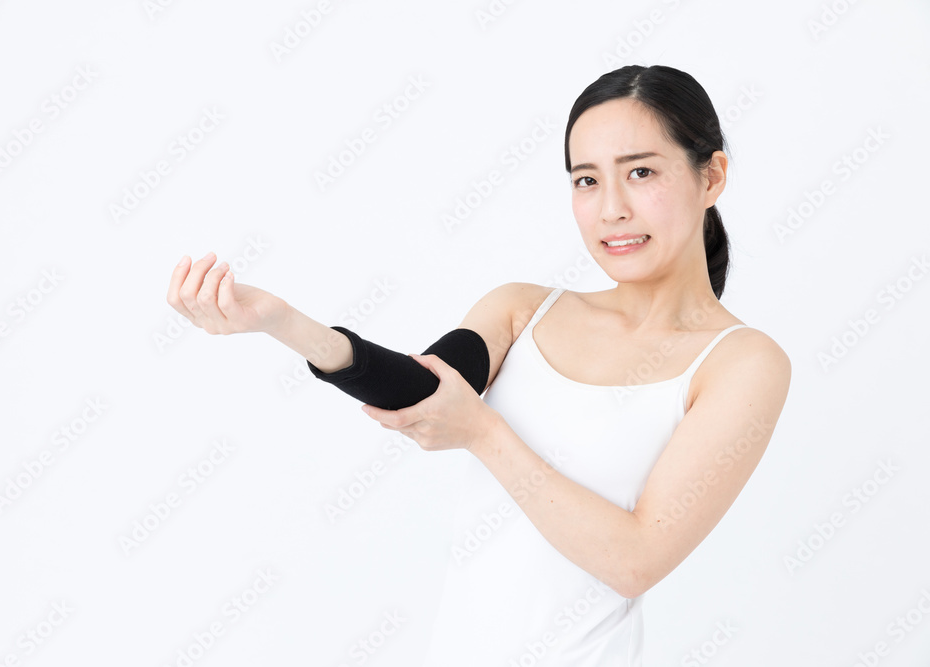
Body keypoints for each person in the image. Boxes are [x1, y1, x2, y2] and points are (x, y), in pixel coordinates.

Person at [166, 64, 792, 666]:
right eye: (586, 180)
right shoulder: (525, 310)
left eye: (641, 172)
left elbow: (635, 560)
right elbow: (421, 389)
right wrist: (282, 322)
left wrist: (485, 434)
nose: (611, 209)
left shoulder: (741, 362)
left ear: (712, 177)